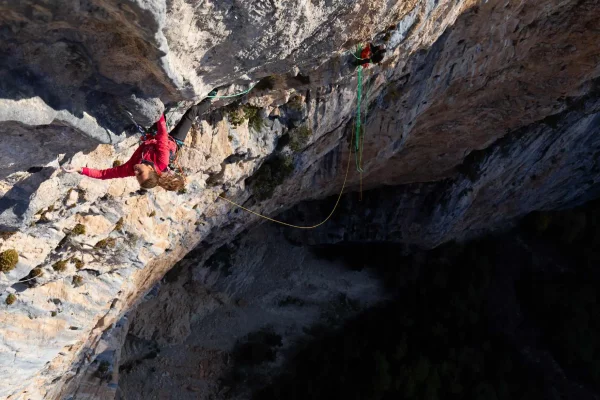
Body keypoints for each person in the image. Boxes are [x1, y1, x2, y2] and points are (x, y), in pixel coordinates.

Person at [63, 99, 211, 191]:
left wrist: (79, 169)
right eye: (140, 173)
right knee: (192, 112)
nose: (135, 172)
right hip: (173, 142)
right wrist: (159, 115)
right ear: (151, 169)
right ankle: (211, 97)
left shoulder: (130, 169)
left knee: (150, 115)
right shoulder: (162, 161)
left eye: (136, 176)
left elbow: (103, 175)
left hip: (151, 139)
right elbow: (162, 136)